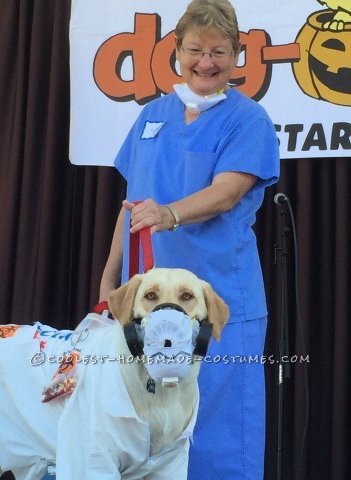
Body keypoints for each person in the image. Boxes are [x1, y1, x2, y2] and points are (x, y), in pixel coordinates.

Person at [100, 0, 280, 478]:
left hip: (217, 306)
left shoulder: (249, 120)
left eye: (219, 52)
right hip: (146, 306)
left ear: (237, 56)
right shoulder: (151, 117)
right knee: (144, 431)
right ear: (176, 52)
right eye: (195, 50)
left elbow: (226, 193)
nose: (206, 62)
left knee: (218, 435)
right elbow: (133, 207)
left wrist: (171, 213)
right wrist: (109, 280)